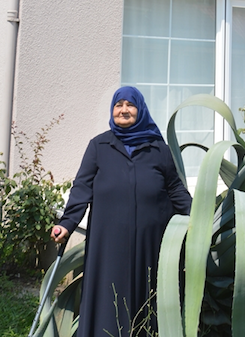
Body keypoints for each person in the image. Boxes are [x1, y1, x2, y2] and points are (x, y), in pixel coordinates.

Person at [50, 86, 192, 337]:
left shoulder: (158, 148)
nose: (124, 110)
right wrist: (67, 223)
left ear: (141, 110)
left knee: (148, 297)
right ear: (112, 110)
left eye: (130, 105)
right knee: (108, 297)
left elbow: (175, 189)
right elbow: (81, 188)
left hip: (152, 244)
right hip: (109, 244)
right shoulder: (99, 146)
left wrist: (196, 219)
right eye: (119, 105)